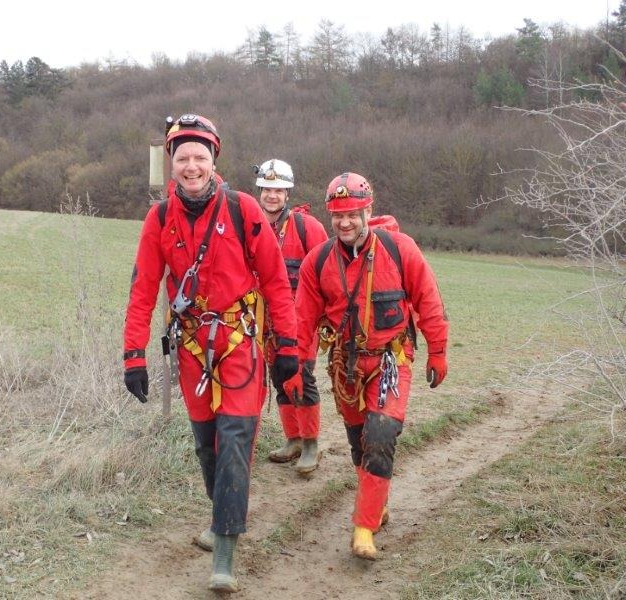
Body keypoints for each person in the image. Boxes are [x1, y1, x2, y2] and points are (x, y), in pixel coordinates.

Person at [122, 115, 300, 593]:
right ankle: (222, 514)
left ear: (213, 159)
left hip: (240, 345)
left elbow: (277, 283)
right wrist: (133, 354)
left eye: (200, 157)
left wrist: (287, 345)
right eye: (183, 158)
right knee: (207, 445)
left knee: (235, 443)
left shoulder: (244, 210)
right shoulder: (159, 219)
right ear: (172, 163)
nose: (192, 166)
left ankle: (224, 551)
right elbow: (143, 288)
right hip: (192, 351)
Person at [284, 172, 449, 560]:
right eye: (338, 215)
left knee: (380, 436)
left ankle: (363, 529)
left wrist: (438, 351)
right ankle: (378, 505)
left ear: (367, 211)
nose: (345, 222)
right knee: (361, 446)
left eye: (354, 214)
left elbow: (428, 301)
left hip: (392, 361)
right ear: (330, 216)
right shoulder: (318, 261)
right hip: (345, 369)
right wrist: (295, 367)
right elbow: (302, 321)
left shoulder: (400, 249)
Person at [254, 159, 328, 475]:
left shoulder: (307, 228)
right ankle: (293, 439)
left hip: (301, 321)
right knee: (280, 379)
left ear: (288, 193)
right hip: (263, 321)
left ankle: (311, 445)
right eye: (267, 189)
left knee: (302, 378)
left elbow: (328, 272)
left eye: (278, 190)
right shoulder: (250, 223)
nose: (272, 195)